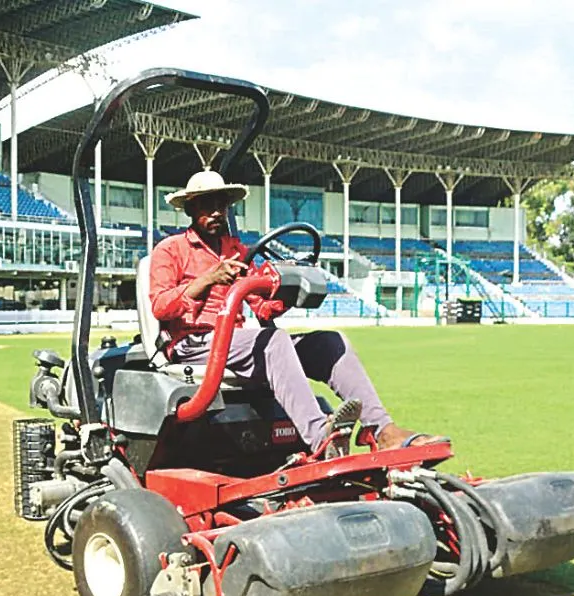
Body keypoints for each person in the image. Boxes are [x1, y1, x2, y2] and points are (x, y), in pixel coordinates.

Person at [148, 170, 448, 456]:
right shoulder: (170, 250)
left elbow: (263, 311)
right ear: (190, 209)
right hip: (194, 344)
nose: (215, 211)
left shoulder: (237, 250)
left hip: (233, 343)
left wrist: (289, 290)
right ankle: (321, 436)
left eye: (221, 204)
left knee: (329, 343)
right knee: (274, 342)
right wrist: (207, 279)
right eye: (206, 204)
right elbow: (161, 306)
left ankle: (382, 430)